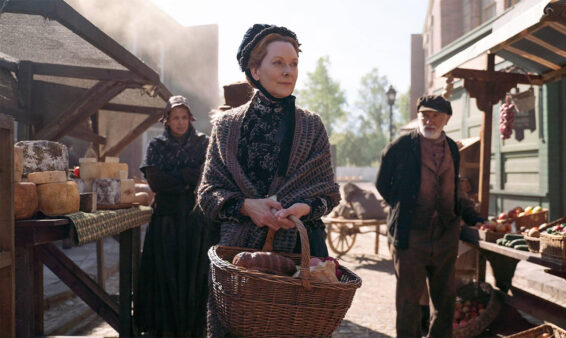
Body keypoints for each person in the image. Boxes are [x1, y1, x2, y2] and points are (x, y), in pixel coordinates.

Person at [197, 24, 340, 336]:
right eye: (278, 63)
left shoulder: (312, 126)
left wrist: (304, 208)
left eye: (294, 63)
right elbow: (207, 193)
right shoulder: (226, 126)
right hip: (237, 262)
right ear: (254, 70)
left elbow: (329, 193)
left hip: (298, 258)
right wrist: (248, 206)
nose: (289, 71)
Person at [375, 95, 487, 337]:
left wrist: (473, 217)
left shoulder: (453, 150)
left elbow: (455, 189)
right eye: (425, 114)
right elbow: (383, 183)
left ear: (446, 119)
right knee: (408, 303)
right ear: (418, 116)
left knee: (445, 301)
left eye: (436, 115)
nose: (429, 120)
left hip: (445, 236)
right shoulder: (401, 146)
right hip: (411, 237)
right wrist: (404, 204)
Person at [134, 95, 210, 336]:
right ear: (166, 121)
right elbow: (155, 181)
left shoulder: (203, 143)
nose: (180, 122)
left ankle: (193, 331)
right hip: (166, 221)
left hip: (195, 220)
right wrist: (187, 179)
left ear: (190, 118)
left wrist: (178, 179)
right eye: (175, 117)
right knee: (166, 275)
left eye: (184, 117)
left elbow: (205, 176)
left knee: (193, 275)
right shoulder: (157, 146)